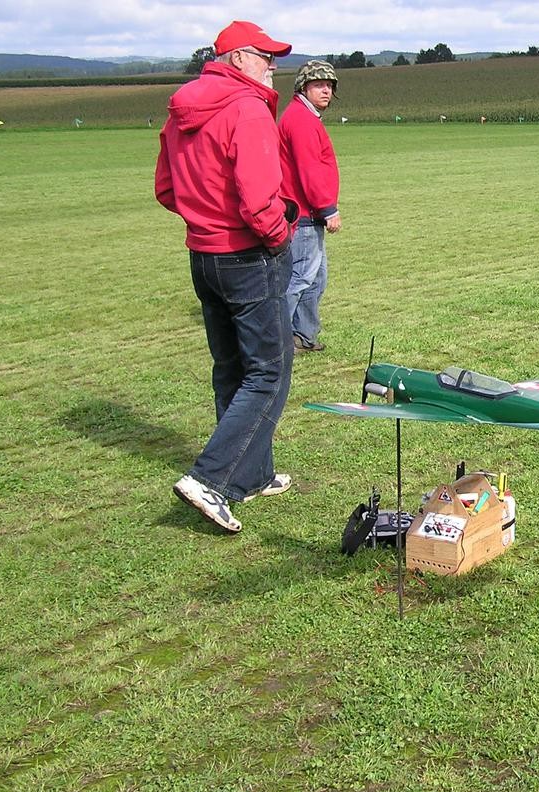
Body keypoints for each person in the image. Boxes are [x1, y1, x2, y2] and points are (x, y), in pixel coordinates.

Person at [154, 20, 297, 533]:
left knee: (232, 367)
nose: (272, 66)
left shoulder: (181, 112)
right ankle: (211, 479)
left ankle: (252, 475)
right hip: (248, 255)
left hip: (203, 255)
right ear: (237, 58)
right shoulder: (247, 108)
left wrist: (206, 220)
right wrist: (279, 237)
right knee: (269, 373)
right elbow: (259, 201)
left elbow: (166, 189)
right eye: (265, 56)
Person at [279, 60, 342, 354]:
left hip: (307, 213)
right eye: (318, 85)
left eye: (329, 85)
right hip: (304, 214)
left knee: (316, 277)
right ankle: (278, 340)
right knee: (301, 278)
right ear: (303, 88)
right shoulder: (301, 120)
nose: (326, 90)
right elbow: (310, 170)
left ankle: (303, 335)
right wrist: (327, 208)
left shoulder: (304, 116)